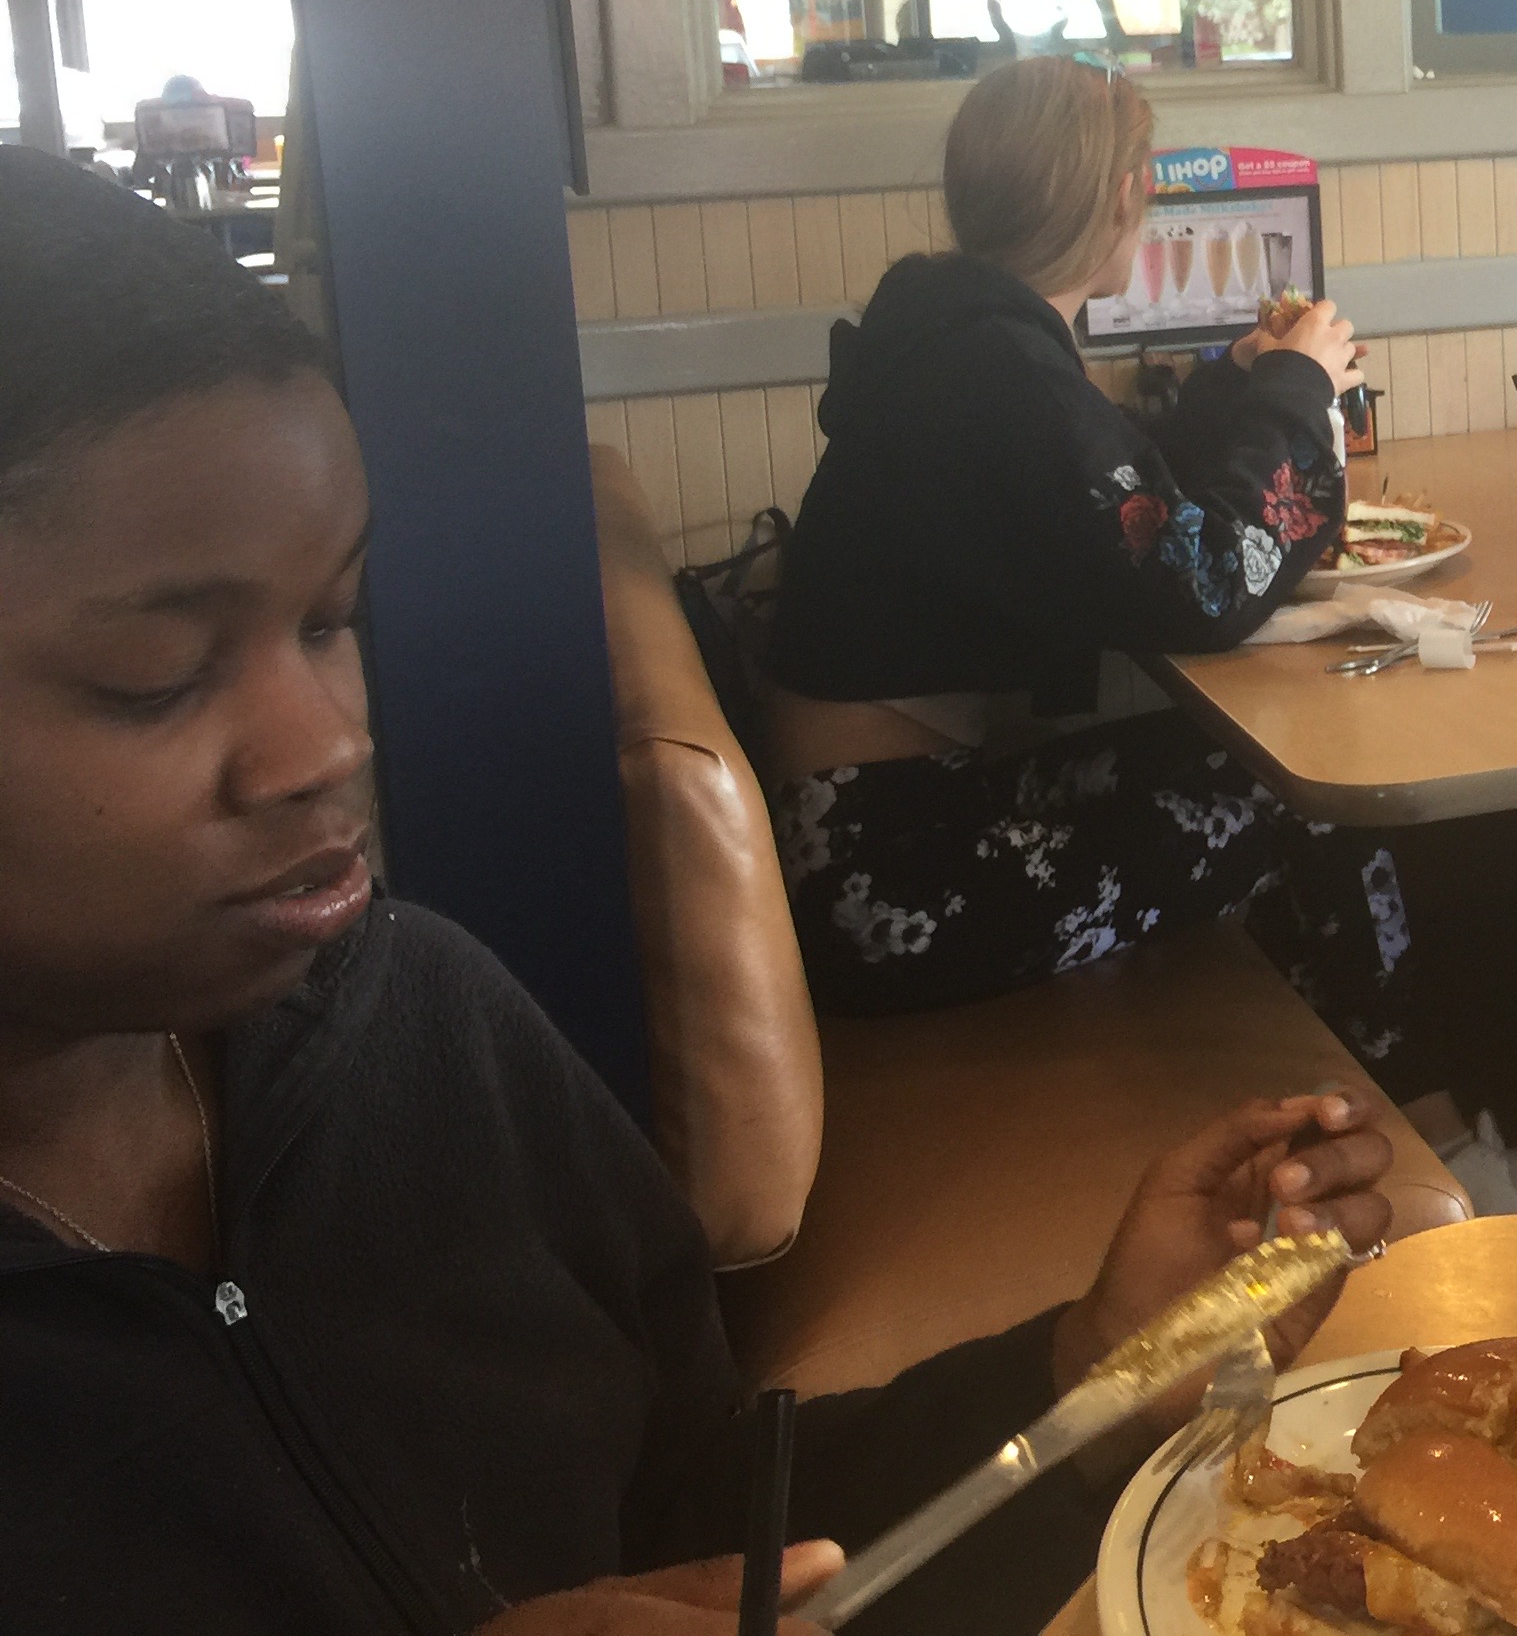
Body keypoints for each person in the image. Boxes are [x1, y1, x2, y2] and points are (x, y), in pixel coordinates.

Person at [0, 148, 1399, 1633]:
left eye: (332, 620)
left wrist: (1086, 1382)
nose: (330, 745)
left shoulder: (422, 1029)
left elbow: (695, 1509)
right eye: (155, 676)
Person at [765, 55, 1416, 1061]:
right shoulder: (997, 372)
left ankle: (1328, 1104)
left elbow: (1116, 503)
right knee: (1310, 806)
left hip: (874, 823)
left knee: (1264, 768)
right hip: (889, 883)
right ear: (1126, 194)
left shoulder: (959, 336)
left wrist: (1236, 384)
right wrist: (1296, 391)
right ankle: (1408, 1109)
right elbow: (1205, 585)